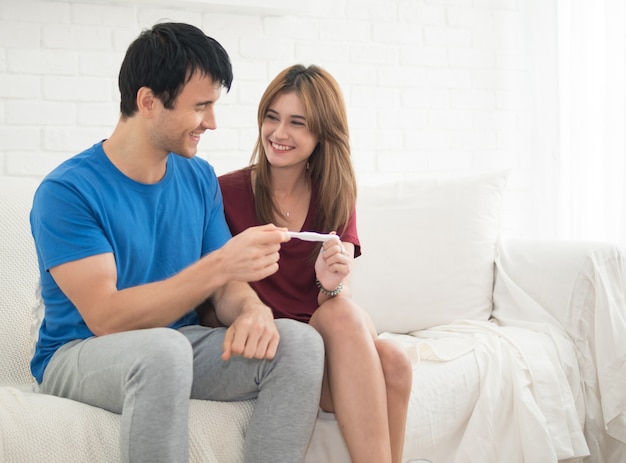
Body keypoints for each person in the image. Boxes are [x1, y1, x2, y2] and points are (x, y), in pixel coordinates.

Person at [29, 23, 325, 463]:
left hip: (175, 343)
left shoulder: (198, 177)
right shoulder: (68, 192)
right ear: (148, 102)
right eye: (201, 106)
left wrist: (251, 310)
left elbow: (225, 287)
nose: (212, 121)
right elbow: (107, 317)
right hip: (80, 352)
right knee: (163, 350)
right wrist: (221, 265)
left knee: (299, 343)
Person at [217, 65, 413, 463]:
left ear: (321, 133)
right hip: (270, 347)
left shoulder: (336, 195)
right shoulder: (225, 192)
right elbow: (217, 289)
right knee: (347, 321)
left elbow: (331, 301)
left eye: (297, 123)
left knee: (395, 361)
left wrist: (330, 283)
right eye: (272, 117)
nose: (278, 133)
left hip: (322, 344)